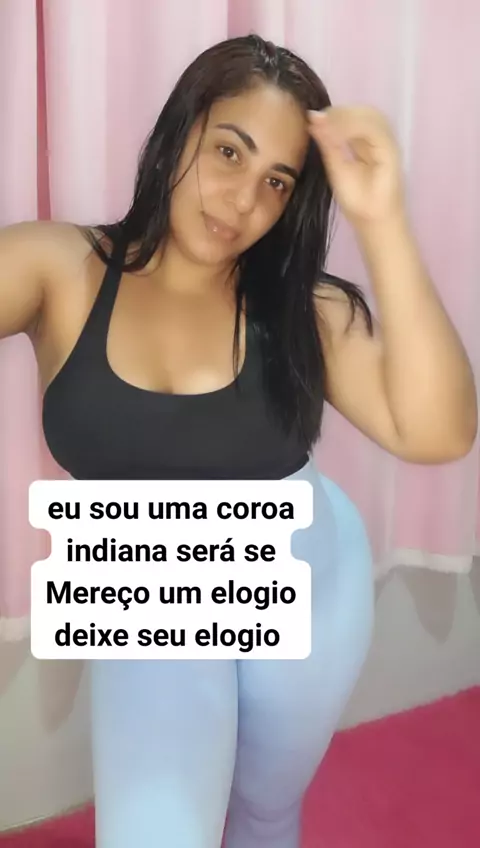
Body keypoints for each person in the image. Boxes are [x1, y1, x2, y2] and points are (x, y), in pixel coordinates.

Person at [0, 33, 476, 848]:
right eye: (229, 151)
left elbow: (439, 432)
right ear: (181, 129)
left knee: (263, 810)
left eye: (276, 181)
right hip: (153, 588)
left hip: (307, 579)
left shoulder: (305, 310)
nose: (242, 199)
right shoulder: (61, 266)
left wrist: (382, 219)